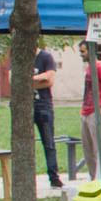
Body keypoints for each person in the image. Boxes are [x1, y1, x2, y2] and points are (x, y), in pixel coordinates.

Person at [78, 43, 101, 180]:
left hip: (96, 112)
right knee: (88, 151)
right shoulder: (89, 68)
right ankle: (94, 179)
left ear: (91, 51)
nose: (81, 54)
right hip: (86, 112)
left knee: (99, 148)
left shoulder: (100, 68)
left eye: (83, 51)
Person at [31, 46, 63, 188]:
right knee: (26, 144)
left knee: (48, 143)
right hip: (26, 107)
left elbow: (49, 80)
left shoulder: (46, 57)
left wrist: (28, 80)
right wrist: (40, 78)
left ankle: (54, 177)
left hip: (43, 106)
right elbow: (12, 80)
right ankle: (28, 177)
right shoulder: (19, 56)